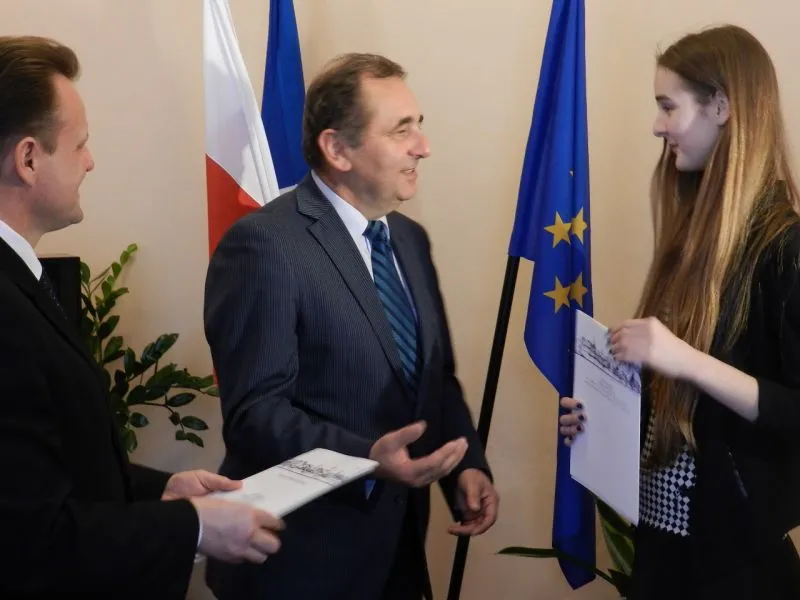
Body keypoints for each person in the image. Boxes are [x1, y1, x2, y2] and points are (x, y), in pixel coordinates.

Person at [203, 52, 499, 600]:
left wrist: (467, 465)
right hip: (303, 564)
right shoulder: (264, 245)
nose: (423, 147)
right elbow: (254, 414)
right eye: (401, 130)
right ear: (337, 149)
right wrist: (367, 459)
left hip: (398, 555)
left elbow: (435, 380)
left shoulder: (408, 239)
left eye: (419, 126)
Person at [0, 36, 285, 599]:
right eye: (80, 144)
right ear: (28, 159)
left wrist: (162, 490)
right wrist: (195, 526)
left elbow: (51, 469)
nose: (90, 161)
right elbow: (29, 538)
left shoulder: (21, 280)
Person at [560, 24, 800, 599]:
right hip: (664, 547)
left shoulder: (786, 247)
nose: (656, 125)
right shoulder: (690, 237)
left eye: (668, 106)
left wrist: (683, 358)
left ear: (721, 106)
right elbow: (681, 408)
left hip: (736, 566)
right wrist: (606, 414)